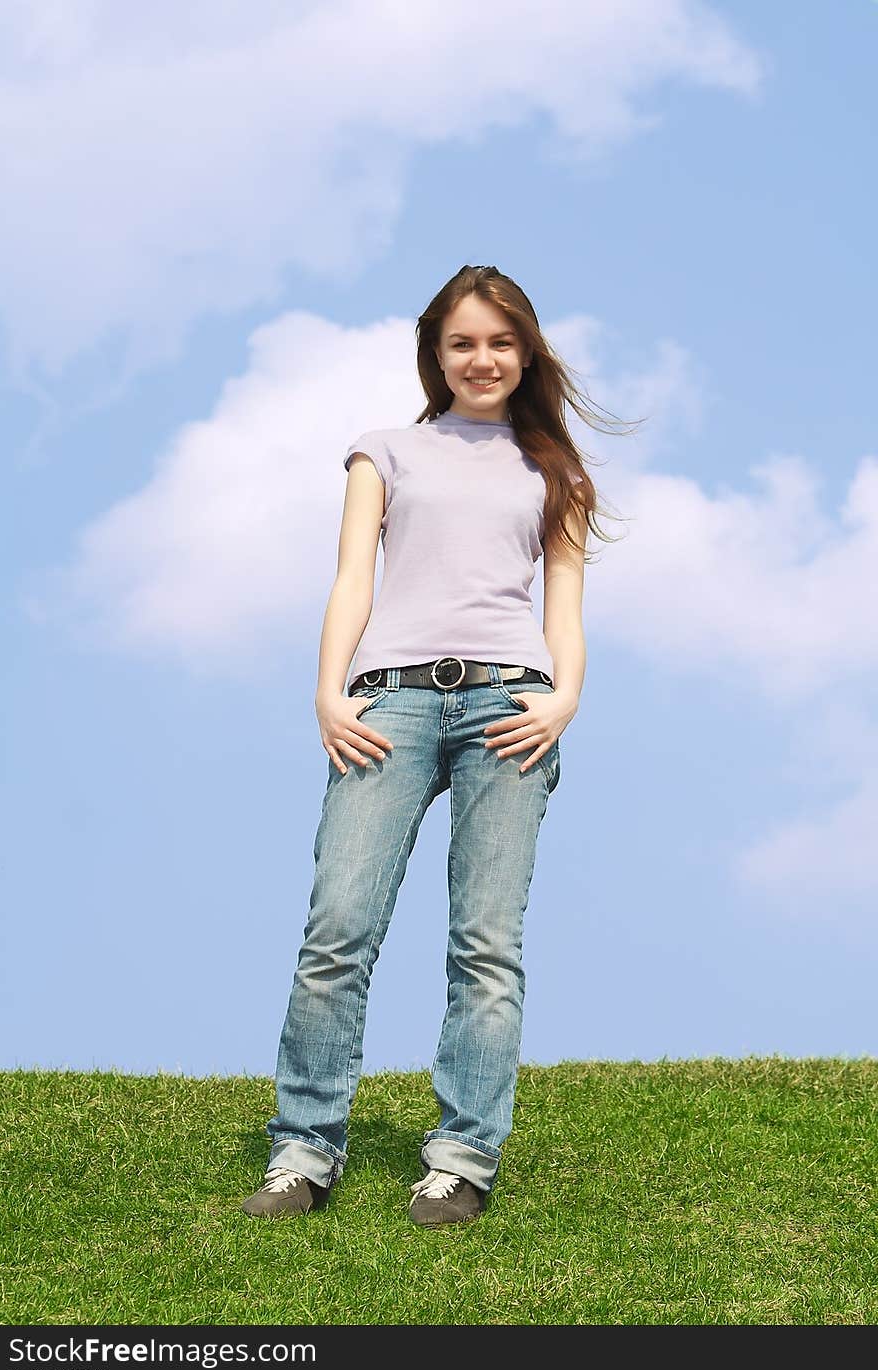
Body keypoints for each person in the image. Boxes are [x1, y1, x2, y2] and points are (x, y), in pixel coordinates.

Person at [242, 263, 634, 1227]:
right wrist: (330, 694)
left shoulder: (557, 470)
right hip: (390, 705)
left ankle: (461, 1159)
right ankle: (304, 1153)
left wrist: (565, 700)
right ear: (435, 353)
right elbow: (351, 581)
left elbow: (566, 609)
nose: (482, 358)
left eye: (501, 342)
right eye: (462, 342)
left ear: (526, 352)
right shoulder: (383, 451)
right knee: (337, 930)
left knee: (485, 945)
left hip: (512, 706)